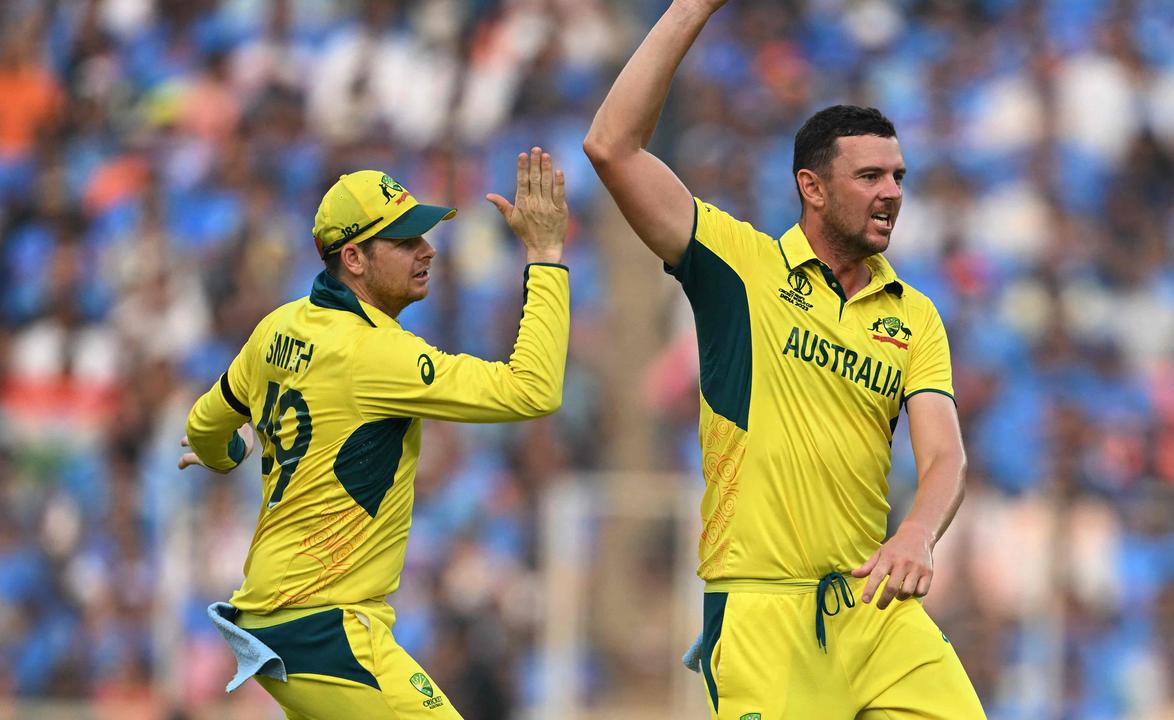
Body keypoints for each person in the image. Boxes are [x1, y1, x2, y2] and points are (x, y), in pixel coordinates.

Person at [583, 2, 985, 718]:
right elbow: (613, 146)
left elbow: (945, 458)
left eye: (898, 175)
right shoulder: (740, 268)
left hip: (874, 605)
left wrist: (917, 533)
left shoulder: (914, 314)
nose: (891, 191)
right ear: (812, 188)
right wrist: (690, 10)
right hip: (763, 612)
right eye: (869, 176)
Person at [177, 148, 570, 719]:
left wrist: (225, 452)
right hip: (326, 625)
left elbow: (203, 424)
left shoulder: (276, 328)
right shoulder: (378, 354)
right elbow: (534, 389)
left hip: (273, 614)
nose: (427, 250)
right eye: (406, 242)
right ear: (354, 258)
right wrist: (545, 253)